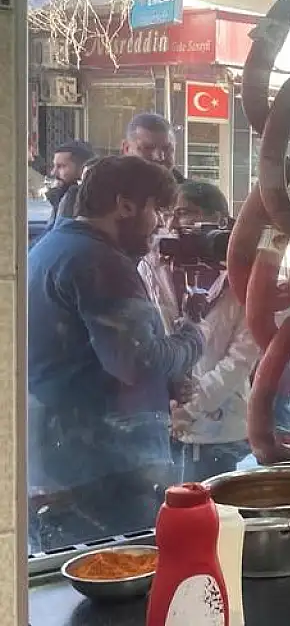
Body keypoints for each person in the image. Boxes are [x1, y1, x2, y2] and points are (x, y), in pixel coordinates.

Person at [27, 156, 204, 553]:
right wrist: (192, 340)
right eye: (157, 211)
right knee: (125, 574)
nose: (160, 225)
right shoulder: (99, 261)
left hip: (61, 463)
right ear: (125, 205)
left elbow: (91, 357)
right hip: (106, 471)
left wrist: (165, 382)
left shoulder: (51, 248)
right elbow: (137, 361)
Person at [141, 181, 260, 482]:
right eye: (168, 213)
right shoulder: (153, 265)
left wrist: (192, 407)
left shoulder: (245, 275)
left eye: (184, 213)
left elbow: (242, 357)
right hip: (162, 420)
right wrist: (168, 400)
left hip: (219, 425)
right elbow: (148, 339)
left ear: (216, 218)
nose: (173, 223)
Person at [122, 113, 184, 183]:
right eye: (148, 148)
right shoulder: (112, 187)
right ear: (126, 148)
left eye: (167, 148)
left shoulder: (189, 189)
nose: (160, 157)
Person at [46, 140, 94, 220]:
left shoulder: (89, 209)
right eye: (54, 166)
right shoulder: (60, 197)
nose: (53, 172)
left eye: (61, 166)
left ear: (82, 169)